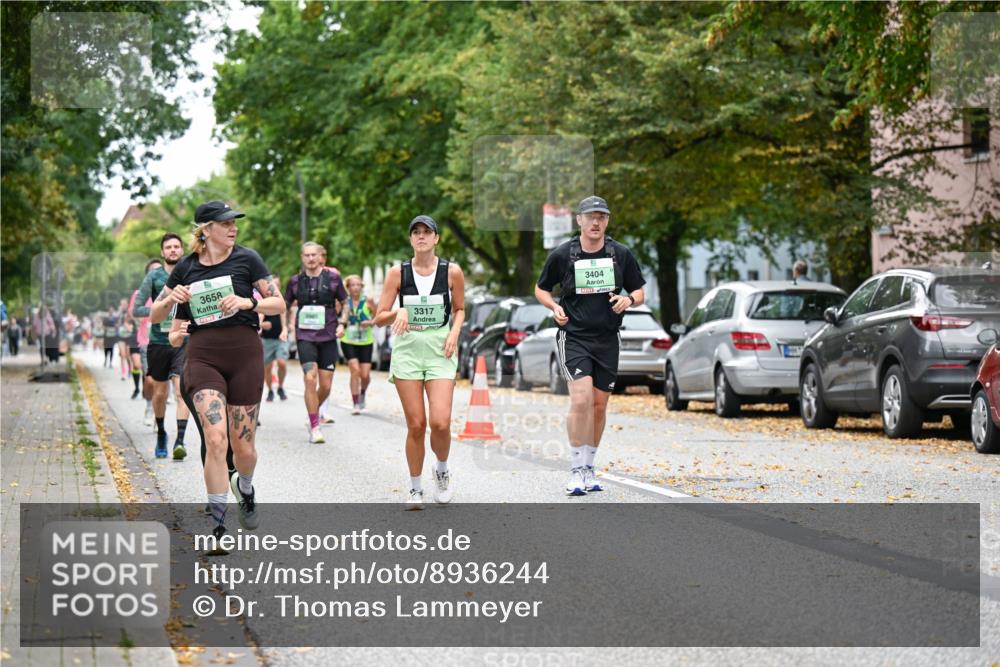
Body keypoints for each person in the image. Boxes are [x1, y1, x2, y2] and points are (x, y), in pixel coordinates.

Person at [150, 200, 284, 540]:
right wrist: (171, 305)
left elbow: (278, 303)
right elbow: (158, 317)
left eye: (234, 222)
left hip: (245, 356)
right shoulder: (186, 268)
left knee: (244, 450)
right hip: (204, 356)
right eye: (225, 223)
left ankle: (246, 487)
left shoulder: (247, 259)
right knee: (214, 438)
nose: (232, 227)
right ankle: (218, 523)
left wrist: (248, 302)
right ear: (206, 229)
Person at [534, 196, 646, 496]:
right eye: (590, 216)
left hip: (607, 338)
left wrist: (629, 299)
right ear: (579, 221)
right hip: (574, 336)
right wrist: (553, 306)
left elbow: (639, 290)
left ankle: (589, 466)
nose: (596, 222)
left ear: (607, 221)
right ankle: (575, 469)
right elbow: (541, 288)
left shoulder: (619, 253)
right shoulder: (564, 254)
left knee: (599, 406)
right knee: (581, 400)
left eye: (601, 217)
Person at [374, 215, 465, 510]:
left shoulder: (452, 272)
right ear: (411, 239)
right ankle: (415, 489)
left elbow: (461, 309)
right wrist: (396, 314)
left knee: (439, 422)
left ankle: (441, 469)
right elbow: (379, 317)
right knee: (416, 424)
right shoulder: (397, 274)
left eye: (427, 232)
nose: (422, 236)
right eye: (416, 232)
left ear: (436, 238)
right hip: (408, 349)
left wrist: (454, 332)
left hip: (441, 348)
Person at [283, 242, 347, 444]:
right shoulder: (294, 281)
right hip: (305, 336)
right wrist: (286, 327)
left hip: (328, 335)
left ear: (321, 257)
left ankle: (313, 412)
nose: (311, 259)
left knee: (326, 386)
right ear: (302, 257)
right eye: (307, 255)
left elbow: (345, 303)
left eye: (314, 255)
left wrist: (343, 323)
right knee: (310, 379)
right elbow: (284, 305)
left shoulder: (334, 278)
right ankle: (314, 426)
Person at [135, 235, 191, 460]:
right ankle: (161, 433)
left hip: (183, 341)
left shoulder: (190, 272)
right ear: (162, 252)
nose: (173, 250)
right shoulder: (154, 277)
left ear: (182, 249)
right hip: (159, 341)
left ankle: (180, 439)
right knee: (159, 393)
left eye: (177, 246)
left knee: (181, 391)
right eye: (168, 247)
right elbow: (137, 308)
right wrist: (161, 311)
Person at [341, 274, 375, 414]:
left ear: (362, 286)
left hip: (366, 341)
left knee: (365, 375)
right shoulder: (344, 303)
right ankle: (355, 403)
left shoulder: (368, 301)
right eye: (352, 285)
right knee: (355, 370)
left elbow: (379, 316)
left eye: (358, 285)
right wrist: (343, 319)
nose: (355, 288)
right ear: (347, 288)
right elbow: (338, 318)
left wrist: (370, 322)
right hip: (348, 340)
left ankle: (362, 393)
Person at [260, 273, 289, 402]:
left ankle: (281, 387)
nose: (274, 287)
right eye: (273, 284)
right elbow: (259, 318)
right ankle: (270, 390)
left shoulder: (282, 301)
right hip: (266, 339)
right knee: (268, 367)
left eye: (277, 284)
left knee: (282, 363)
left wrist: (285, 329)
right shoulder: (263, 300)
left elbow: (283, 315)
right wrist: (261, 325)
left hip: (280, 339)